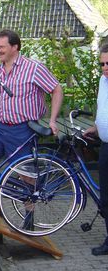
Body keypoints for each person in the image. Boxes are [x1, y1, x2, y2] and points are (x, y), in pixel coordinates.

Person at [0, 29, 63, 219]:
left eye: (2, 47)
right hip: (0, 128)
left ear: (15, 47)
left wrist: (52, 120)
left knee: (25, 176)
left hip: (23, 129)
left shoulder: (33, 68)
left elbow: (56, 90)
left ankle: (29, 217)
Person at [83, 43, 108, 256]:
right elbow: (103, 109)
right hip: (106, 145)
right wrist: (96, 127)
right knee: (106, 196)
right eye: (102, 63)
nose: (105, 67)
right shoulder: (103, 80)